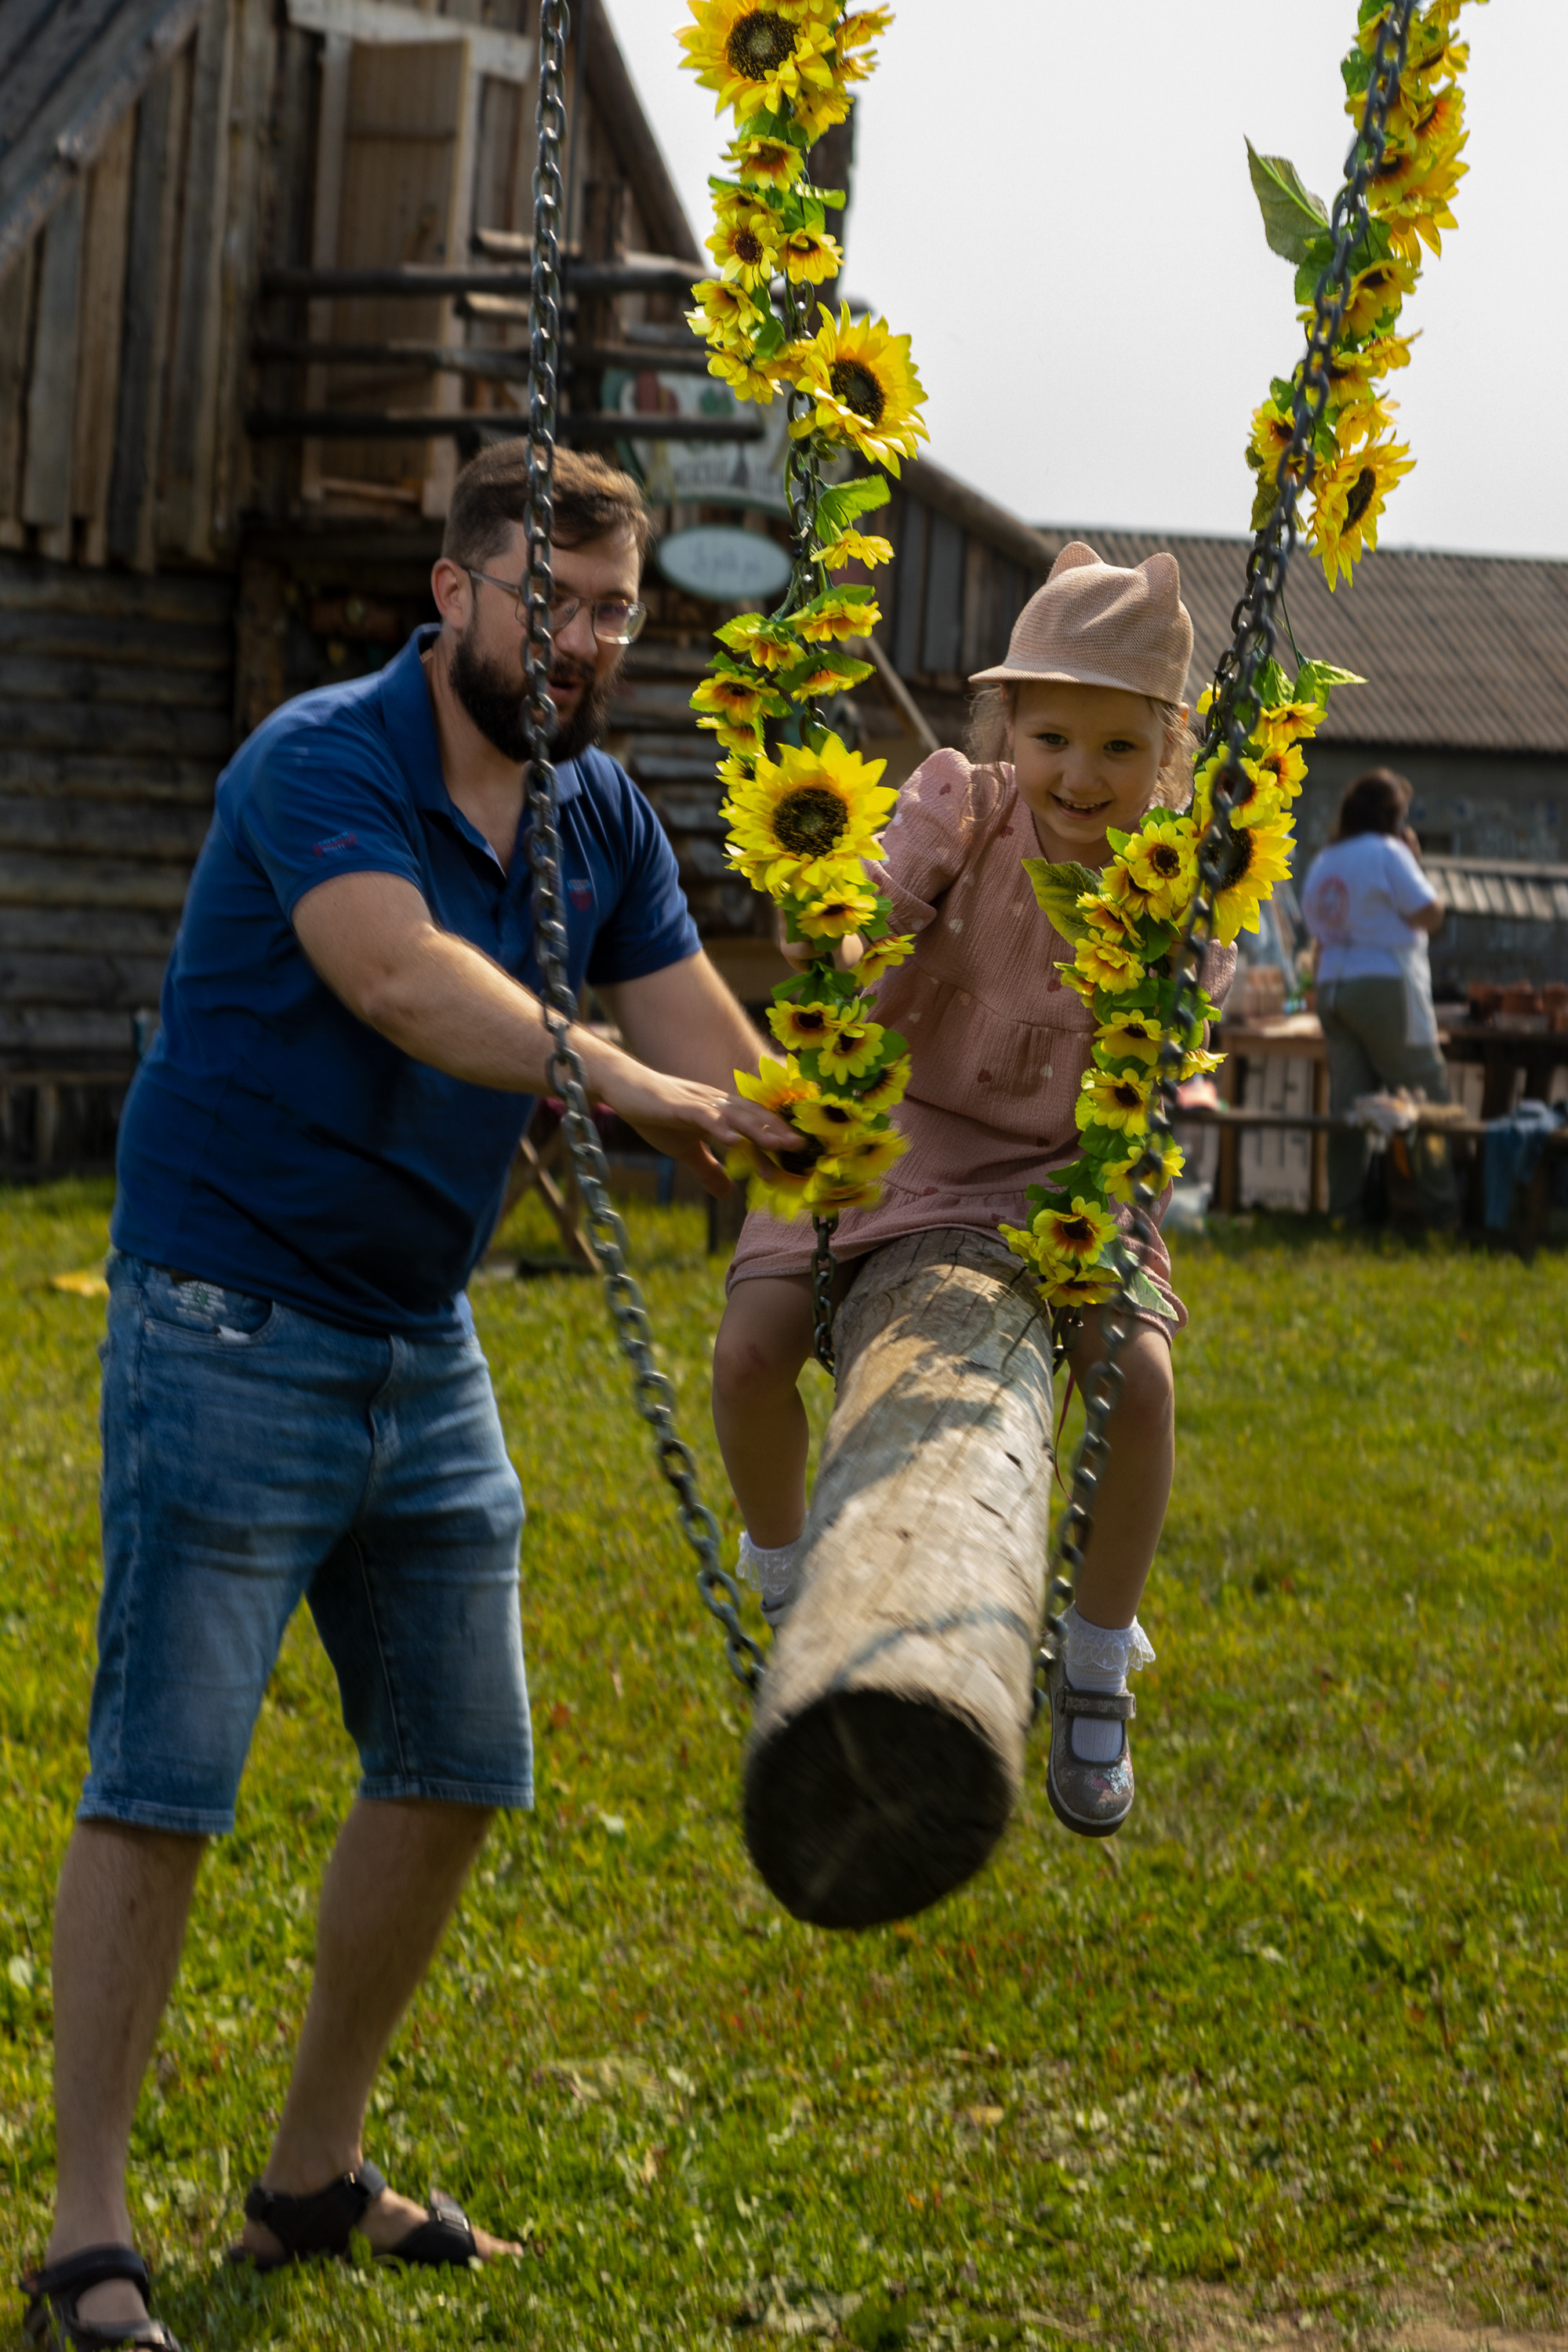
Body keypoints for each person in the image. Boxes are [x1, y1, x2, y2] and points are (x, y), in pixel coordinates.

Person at [23, 445, 797, 2352]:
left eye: (614, 610)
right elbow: (401, 981)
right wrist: (650, 1097)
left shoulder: (597, 812)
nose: (583, 639)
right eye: (550, 597)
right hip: (225, 1313)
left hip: (413, 1335)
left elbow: (714, 1036)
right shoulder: (319, 757)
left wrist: (864, 1130)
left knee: (460, 1762)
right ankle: (83, 2233)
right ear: (452, 594)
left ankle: (306, 2174)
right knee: (163, 1774)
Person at [710, 543, 1234, 1842]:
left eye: (1118, 748)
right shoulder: (964, 803)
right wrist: (843, 924)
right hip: (884, 1125)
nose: (1079, 775)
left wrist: (1174, 951)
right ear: (1007, 726)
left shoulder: (1169, 872)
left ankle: (1099, 1657)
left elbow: (1177, 1039)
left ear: (1167, 752)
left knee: (1143, 1382)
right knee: (749, 1351)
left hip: (1063, 1164)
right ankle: (789, 1581)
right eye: (1052, 736)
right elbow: (868, 930)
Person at [1300, 767, 1457, 1225]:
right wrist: (1415, 860)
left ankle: (1344, 1213)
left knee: (1348, 1107)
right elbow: (1429, 913)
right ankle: (1441, 1213)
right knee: (1427, 1099)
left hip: (1332, 987)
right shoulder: (1391, 852)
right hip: (1385, 983)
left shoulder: (1327, 860)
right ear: (1391, 816)